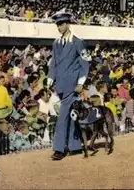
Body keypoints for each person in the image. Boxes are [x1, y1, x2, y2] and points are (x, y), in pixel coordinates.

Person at [47, 12, 90, 160]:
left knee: (63, 116)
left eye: (61, 24)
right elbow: (54, 62)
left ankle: (59, 148)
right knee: (72, 115)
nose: (59, 27)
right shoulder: (56, 43)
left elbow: (85, 64)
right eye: (57, 24)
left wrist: (80, 83)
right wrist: (50, 78)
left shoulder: (78, 42)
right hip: (60, 84)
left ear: (68, 24)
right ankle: (75, 146)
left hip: (72, 85)